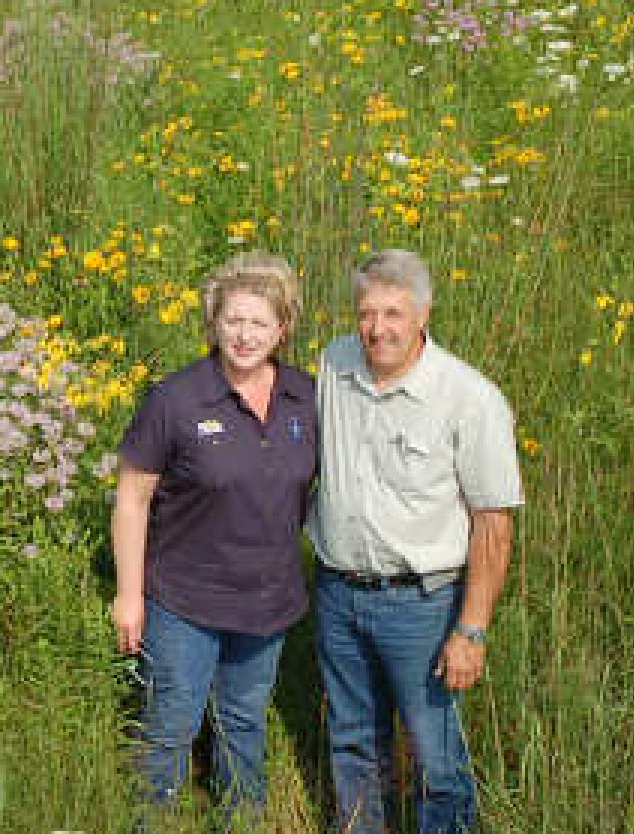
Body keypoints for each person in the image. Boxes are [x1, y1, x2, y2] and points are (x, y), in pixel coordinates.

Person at [308, 249, 523, 834]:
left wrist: (470, 631)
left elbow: (492, 525)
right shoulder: (335, 364)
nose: (378, 328)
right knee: (351, 742)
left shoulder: (470, 398)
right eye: (366, 313)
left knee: (436, 756)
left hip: (422, 607)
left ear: (423, 314)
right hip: (337, 593)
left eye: (393, 313)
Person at [110, 250, 321, 826]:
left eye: (259, 323)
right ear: (214, 323)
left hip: (268, 602)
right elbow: (131, 499)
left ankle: (239, 821)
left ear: (283, 328)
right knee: (170, 723)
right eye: (234, 320)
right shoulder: (174, 400)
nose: (245, 335)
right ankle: (152, 821)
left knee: (244, 722)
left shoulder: (308, 397)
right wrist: (129, 596)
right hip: (184, 600)